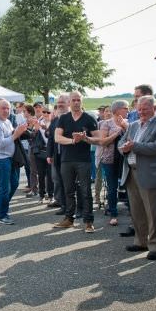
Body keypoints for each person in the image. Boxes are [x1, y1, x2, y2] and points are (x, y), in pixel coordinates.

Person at [119, 95, 156, 260]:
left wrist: (134, 146)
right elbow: (121, 142)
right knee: (137, 211)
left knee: (154, 212)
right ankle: (141, 241)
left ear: (155, 108)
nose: (141, 112)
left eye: (145, 109)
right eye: (139, 109)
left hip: (151, 173)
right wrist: (124, 148)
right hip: (131, 172)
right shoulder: (133, 125)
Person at [54, 91, 99, 232]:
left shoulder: (89, 119)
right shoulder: (63, 118)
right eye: (73, 100)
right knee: (68, 191)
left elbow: (98, 139)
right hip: (66, 160)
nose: (76, 102)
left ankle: (88, 222)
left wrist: (85, 139)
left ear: (82, 101)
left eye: (78, 100)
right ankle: (69, 219)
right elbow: (57, 138)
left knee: (85, 191)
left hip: (83, 160)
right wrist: (74, 140)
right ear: (69, 102)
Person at [85, 101, 129, 225]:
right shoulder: (106, 124)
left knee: (129, 187)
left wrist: (125, 127)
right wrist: (117, 132)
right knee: (112, 188)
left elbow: (132, 139)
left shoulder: (129, 123)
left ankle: (133, 215)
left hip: (125, 160)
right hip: (109, 160)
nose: (128, 110)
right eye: (125, 108)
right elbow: (103, 142)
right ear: (118, 110)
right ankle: (113, 214)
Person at [0, 99, 28, 224]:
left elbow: (12, 135)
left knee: (15, 184)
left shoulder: (8, 121)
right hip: (0, 159)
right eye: (3, 108)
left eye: (8, 108)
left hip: (10, 158)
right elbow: (0, 144)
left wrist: (22, 131)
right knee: (5, 188)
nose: (6, 110)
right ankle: (2, 215)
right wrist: (15, 134)